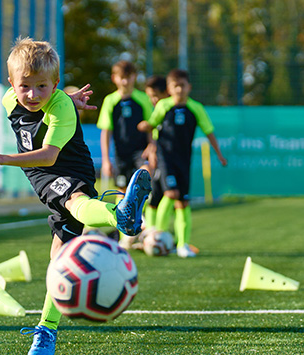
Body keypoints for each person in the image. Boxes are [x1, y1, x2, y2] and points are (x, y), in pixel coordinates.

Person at [0, 38, 151, 355]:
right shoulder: (9, 100)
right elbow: (32, 108)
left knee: (73, 200)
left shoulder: (60, 106)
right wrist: (67, 95)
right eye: (26, 86)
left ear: (55, 84)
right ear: (12, 84)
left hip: (63, 165)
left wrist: (2, 158)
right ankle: (47, 331)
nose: (33, 95)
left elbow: (50, 156)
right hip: (40, 174)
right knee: (59, 260)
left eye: (43, 87)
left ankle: (118, 216)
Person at [138, 69, 227, 258]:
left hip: (184, 160)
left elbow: (209, 131)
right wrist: (146, 126)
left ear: (189, 87)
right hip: (165, 158)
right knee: (170, 193)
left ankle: (182, 245)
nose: (179, 89)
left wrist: (219, 154)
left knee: (183, 202)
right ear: (169, 89)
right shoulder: (163, 106)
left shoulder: (196, 108)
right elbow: (153, 124)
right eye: (175, 86)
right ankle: (156, 235)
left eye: (182, 85)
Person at [97, 60, 154, 248]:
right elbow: (106, 132)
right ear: (115, 78)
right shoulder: (110, 101)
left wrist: (151, 146)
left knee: (145, 176)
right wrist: (106, 160)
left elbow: (150, 127)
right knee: (121, 191)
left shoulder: (142, 99)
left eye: (129, 77)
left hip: (140, 151)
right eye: (122, 77)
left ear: (134, 77)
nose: (125, 81)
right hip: (121, 155)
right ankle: (124, 232)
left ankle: (141, 219)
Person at [141, 75, 168, 234]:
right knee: (153, 197)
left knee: (170, 195)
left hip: (169, 160)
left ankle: (161, 232)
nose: (153, 100)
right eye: (150, 96)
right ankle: (150, 233)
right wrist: (152, 146)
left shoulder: (169, 108)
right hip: (159, 159)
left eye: (155, 96)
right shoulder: (158, 109)